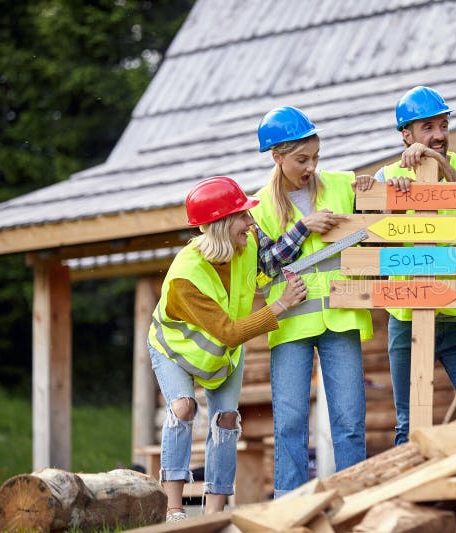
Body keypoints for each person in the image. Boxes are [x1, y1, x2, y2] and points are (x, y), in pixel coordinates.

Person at [147, 176, 306, 522]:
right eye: (243, 217)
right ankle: (174, 510)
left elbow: (272, 261)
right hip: (174, 350)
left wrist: (303, 235)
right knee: (184, 408)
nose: (251, 223)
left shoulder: (245, 246)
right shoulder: (186, 277)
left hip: (221, 356)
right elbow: (229, 332)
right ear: (221, 224)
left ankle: (214, 514)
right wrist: (281, 306)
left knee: (227, 420)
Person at [250, 106, 373, 497]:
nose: (311, 166)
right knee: (289, 424)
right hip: (291, 324)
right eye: (302, 159)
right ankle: (290, 507)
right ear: (277, 157)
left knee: (350, 421)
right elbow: (265, 267)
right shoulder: (260, 208)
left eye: (316, 157)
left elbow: (380, 210)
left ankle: (354, 501)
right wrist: (303, 227)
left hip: (342, 317)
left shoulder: (342, 185)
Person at [374, 86, 456, 445]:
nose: (439, 135)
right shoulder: (386, 176)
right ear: (405, 135)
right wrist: (391, 201)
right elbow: (376, 237)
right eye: (427, 127)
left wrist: (440, 164)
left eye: (443, 125)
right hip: (407, 318)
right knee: (408, 425)